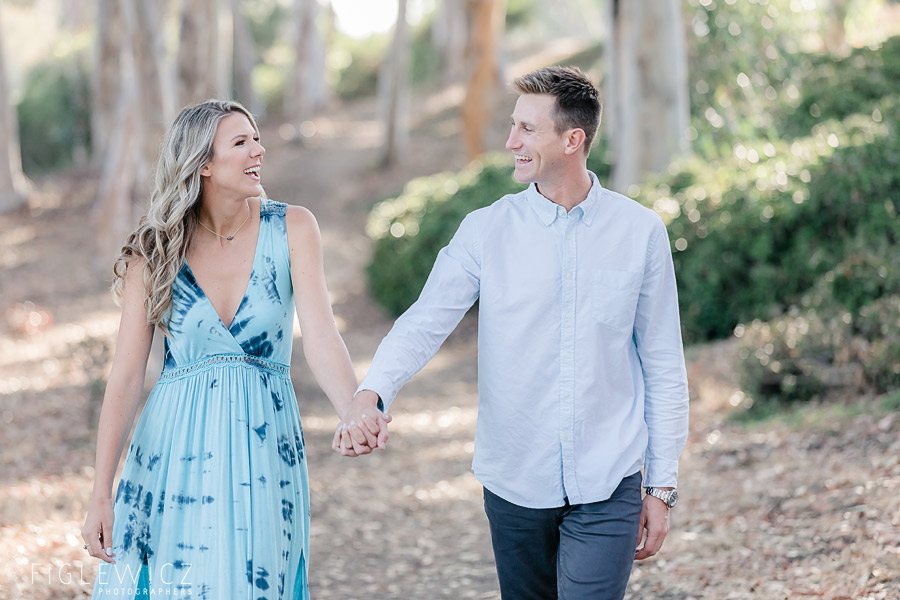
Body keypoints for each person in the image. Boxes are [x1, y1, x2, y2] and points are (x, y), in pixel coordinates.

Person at [335, 66, 690, 599]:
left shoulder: (640, 233)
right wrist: (372, 390)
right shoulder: (486, 230)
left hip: (608, 479)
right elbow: (427, 319)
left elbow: (663, 364)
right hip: (515, 481)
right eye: (513, 125)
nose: (510, 142)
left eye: (527, 129)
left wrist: (661, 488)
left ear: (573, 140)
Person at [81, 100, 388, 598]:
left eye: (256, 139)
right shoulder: (154, 252)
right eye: (241, 142)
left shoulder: (293, 227)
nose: (258, 151)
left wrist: (353, 408)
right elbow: (125, 378)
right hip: (170, 453)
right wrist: (101, 494)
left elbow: (321, 334)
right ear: (202, 163)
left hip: (263, 449)